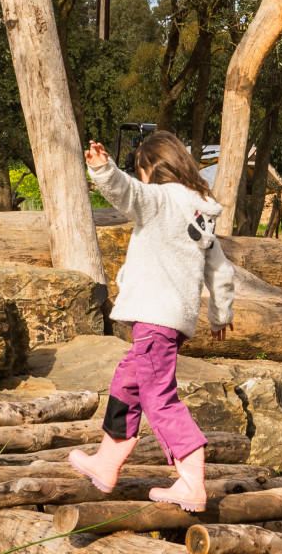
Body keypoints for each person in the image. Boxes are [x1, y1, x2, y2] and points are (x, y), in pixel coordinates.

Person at [68, 131, 236, 511]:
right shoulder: (201, 212)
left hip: (155, 317)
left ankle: (192, 482)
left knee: (157, 397)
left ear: (153, 169)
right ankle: (107, 464)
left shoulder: (159, 199)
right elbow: (221, 271)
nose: (140, 177)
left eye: (141, 169)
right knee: (127, 384)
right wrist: (219, 315)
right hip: (173, 320)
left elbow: (128, 192)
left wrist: (103, 169)